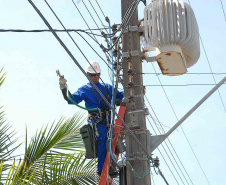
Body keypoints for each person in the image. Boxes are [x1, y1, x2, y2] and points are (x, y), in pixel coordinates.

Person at [59, 60, 123, 176]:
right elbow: (71, 100)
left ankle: (112, 165)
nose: (96, 77)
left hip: (110, 121)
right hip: (98, 122)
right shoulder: (85, 90)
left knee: (116, 141)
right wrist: (64, 88)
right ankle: (101, 170)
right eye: (94, 75)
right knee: (103, 140)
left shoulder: (106, 87)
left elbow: (121, 95)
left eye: (98, 74)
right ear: (88, 75)